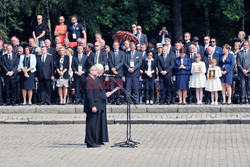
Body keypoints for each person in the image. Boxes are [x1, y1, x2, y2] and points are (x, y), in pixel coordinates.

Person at [84, 65, 111, 148]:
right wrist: (93, 105)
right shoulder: (88, 79)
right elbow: (90, 94)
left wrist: (104, 95)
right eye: (95, 70)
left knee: (94, 124)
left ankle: (94, 140)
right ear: (91, 71)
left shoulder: (94, 79)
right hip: (92, 105)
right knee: (91, 124)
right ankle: (90, 142)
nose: (97, 71)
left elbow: (97, 91)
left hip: (97, 104)